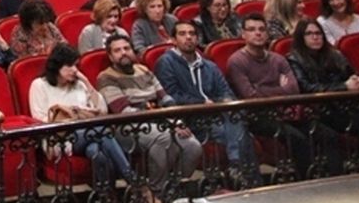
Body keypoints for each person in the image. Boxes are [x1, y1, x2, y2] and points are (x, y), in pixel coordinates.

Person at [97, 33, 202, 192]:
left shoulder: (144, 70)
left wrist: (176, 122)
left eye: (127, 48)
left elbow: (166, 99)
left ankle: (174, 188)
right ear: (111, 57)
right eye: (117, 50)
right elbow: (125, 111)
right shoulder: (106, 77)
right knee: (163, 137)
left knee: (193, 145)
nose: (123, 53)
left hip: (157, 121)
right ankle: (156, 190)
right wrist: (165, 122)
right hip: (126, 127)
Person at [154, 21, 255, 178]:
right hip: (190, 119)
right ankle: (243, 175)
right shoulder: (166, 62)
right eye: (182, 34)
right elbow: (172, 95)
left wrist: (223, 101)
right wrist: (201, 103)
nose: (188, 37)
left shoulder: (209, 66)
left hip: (216, 115)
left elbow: (225, 91)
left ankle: (236, 169)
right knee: (239, 133)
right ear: (173, 40)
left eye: (192, 34)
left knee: (236, 116)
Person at [286, 19, 359, 168]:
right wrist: (344, 87)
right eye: (309, 34)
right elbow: (306, 88)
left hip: (344, 103)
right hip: (320, 109)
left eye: (318, 33)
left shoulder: (334, 55)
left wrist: (358, 81)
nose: (315, 37)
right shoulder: (294, 59)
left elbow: (351, 74)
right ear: (301, 38)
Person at [28, 44, 134, 187]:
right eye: (70, 65)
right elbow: (38, 119)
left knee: (95, 151)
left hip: (89, 134)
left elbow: (102, 110)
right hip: (59, 138)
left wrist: (86, 82)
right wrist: (70, 116)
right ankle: (132, 180)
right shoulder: (39, 85)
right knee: (101, 131)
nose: (75, 70)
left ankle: (107, 195)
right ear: (56, 66)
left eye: (76, 65)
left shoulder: (79, 85)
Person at [224, 14, 312, 176]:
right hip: (257, 116)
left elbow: (293, 89)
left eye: (262, 29)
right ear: (243, 34)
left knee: (323, 133)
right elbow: (250, 96)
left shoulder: (278, 59)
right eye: (252, 30)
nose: (258, 33)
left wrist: (260, 88)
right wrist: (279, 88)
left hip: (286, 111)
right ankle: (308, 180)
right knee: (296, 138)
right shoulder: (236, 61)